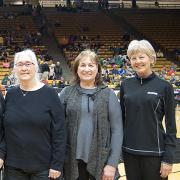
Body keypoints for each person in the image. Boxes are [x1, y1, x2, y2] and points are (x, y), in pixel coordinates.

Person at [0, 49, 66, 180]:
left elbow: (60, 132)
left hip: (44, 168)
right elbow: (4, 130)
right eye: (20, 64)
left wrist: (57, 165)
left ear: (36, 67)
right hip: (13, 167)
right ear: (15, 69)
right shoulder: (11, 95)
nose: (24, 68)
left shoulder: (50, 94)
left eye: (28, 64)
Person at [59, 49, 123, 180]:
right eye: (82, 65)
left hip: (101, 160)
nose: (86, 69)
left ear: (97, 69)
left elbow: (117, 130)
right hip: (72, 161)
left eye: (91, 65)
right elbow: (57, 127)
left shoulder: (108, 94)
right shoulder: (66, 93)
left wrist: (112, 164)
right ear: (76, 69)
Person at [120, 40, 177, 180]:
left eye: (141, 57)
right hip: (129, 152)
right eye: (133, 58)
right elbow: (121, 119)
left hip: (155, 153)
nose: (137, 61)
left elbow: (171, 127)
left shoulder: (165, 87)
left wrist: (168, 158)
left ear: (151, 59)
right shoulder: (125, 85)